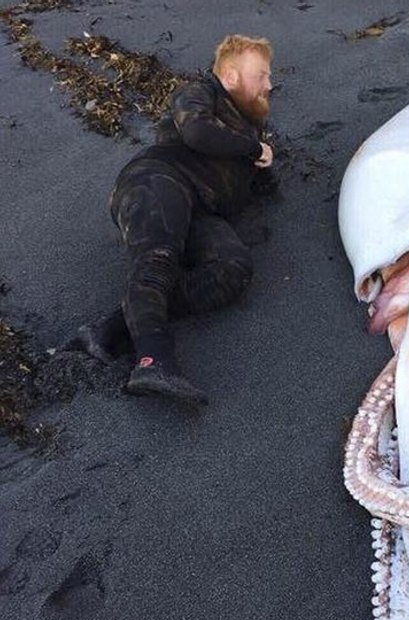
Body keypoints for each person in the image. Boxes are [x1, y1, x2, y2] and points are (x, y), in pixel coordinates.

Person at [68, 35, 277, 404]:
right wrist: (253, 148)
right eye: (260, 75)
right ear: (230, 76)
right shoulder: (198, 92)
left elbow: (245, 181)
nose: (269, 85)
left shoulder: (246, 128)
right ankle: (154, 359)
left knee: (233, 267)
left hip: (200, 207)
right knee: (158, 258)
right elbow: (196, 132)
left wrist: (263, 167)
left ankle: (109, 329)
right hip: (156, 181)